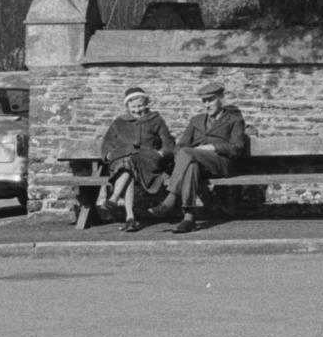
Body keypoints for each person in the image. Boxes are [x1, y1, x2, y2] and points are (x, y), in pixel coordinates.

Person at [156, 82, 247, 233]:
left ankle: (171, 198)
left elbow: (237, 148)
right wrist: (187, 154)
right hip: (197, 162)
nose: (207, 105)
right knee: (190, 164)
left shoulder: (234, 120)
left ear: (221, 98)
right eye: (204, 101)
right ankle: (188, 219)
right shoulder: (196, 120)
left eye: (210, 100)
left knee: (187, 153)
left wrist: (211, 147)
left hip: (220, 163)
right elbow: (180, 146)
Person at [99, 86, 174, 233]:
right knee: (128, 164)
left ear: (146, 104)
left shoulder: (156, 120)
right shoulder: (119, 122)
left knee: (129, 163)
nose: (138, 110)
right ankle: (130, 218)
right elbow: (107, 144)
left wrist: (161, 153)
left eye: (140, 105)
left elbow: (168, 143)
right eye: (133, 107)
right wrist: (108, 155)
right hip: (122, 161)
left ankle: (114, 199)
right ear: (127, 107)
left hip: (147, 161)